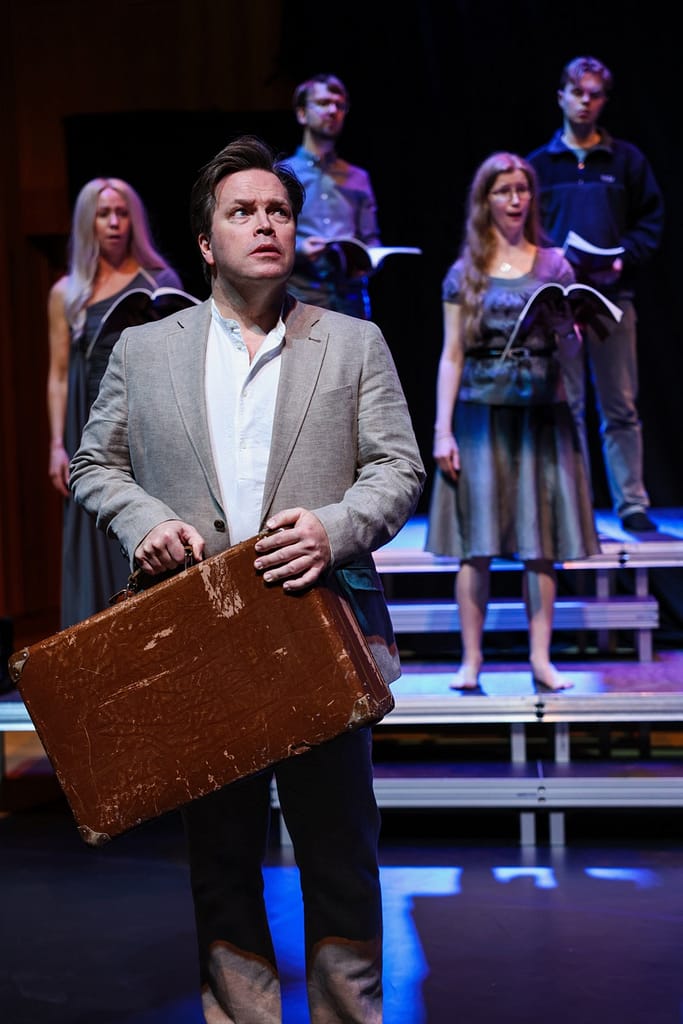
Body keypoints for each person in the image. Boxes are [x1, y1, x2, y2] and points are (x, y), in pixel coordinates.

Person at [69, 135, 425, 1023]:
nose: (266, 224)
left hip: (319, 627)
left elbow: (398, 468)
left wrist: (335, 527)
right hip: (203, 638)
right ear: (205, 240)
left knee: (339, 856)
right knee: (221, 860)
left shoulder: (351, 342)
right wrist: (145, 522)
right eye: (243, 211)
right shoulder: (145, 350)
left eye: (278, 211)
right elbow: (93, 464)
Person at [425, 152, 600, 693]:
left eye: (522, 189)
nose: (515, 199)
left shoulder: (554, 265)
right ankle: (471, 660)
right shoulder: (465, 272)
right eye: (503, 190)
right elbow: (452, 354)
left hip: (542, 414)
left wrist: (567, 327)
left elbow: (573, 351)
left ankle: (540, 659)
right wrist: (442, 430)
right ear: (486, 200)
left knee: (539, 544)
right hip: (481, 413)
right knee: (475, 544)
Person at [527, 55, 665, 534]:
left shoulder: (625, 160)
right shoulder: (540, 164)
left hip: (611, 297)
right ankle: (577, 502)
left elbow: (651, 219)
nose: (585, 102)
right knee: (567, 404)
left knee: (620, 404)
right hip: (560, 304)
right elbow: (526, 228)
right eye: (577, 92)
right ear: (561, 96)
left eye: (595, 95)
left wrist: (624, 256)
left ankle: (631, 502)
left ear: (604, 101)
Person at [47, 176, 184, 628]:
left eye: (122, 213)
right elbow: (59, 374)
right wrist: (56, 445)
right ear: (88, 222)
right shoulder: (69, 291)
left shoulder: (159, 280)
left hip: (146, 418)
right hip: (89, 421)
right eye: (104, 214)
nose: (113, 223)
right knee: (93, 527)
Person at [283, 72, 381, 318]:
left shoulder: (358, 177)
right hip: (300, 298)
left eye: (340, 105)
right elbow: (270, 235)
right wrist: (300, 249)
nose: (333, 110)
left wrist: (368, 260)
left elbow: (371, 239)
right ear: (302, 113)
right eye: (323, 103)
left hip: (350, 302)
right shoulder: (282, 174)